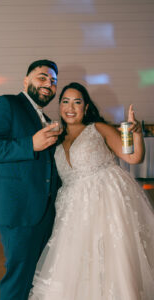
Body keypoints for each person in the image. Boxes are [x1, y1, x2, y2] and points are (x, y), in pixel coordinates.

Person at [30, 82, 154, 300]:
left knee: (112, 263)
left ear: (86, 107)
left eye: (77, 102)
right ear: (59, 107)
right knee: (75, 266)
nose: (71, 107)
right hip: (72, 213)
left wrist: (136, 134)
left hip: (107, 204)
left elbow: (134, 157)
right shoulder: (55, 139)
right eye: (65, 101)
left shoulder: (98, 128)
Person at [0, 59, 62, 300]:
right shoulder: (7, 104)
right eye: (42, 77)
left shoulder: (43, 116)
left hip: (42, 209)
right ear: (26, 81)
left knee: (33, 274)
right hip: (18, 208)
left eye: (53, 81)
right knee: (18, 277)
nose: (48, 84)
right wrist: (30, 144)